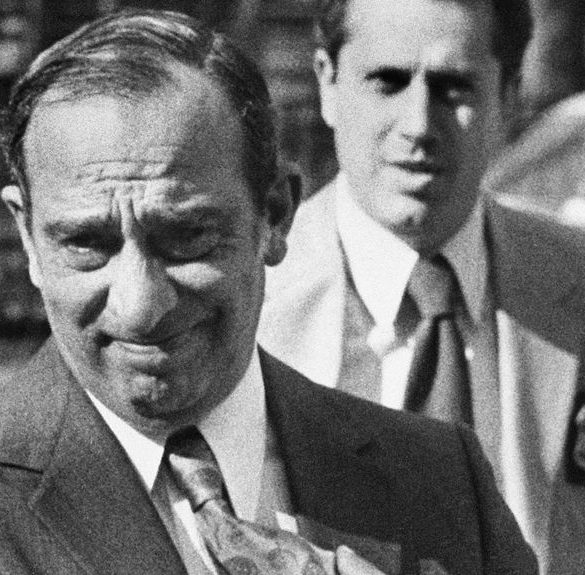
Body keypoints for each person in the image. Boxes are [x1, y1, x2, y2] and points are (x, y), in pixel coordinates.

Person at [0, 9, 536, 575]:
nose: (139, 305)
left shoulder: (440, 482)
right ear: (27, 236)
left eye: (186, 238)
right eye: (86, 243)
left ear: (276, 215)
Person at [257, 0, 585, 573]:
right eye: (388, 82)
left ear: (508, 94)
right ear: (327, 83)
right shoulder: (250, 298)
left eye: (453, 87)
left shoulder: (572, 283)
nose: (418, 125)